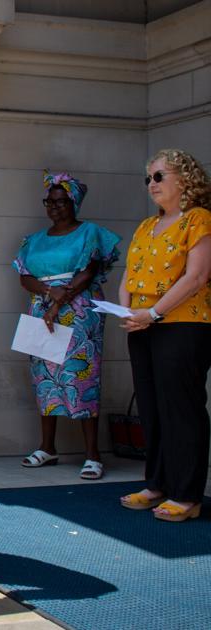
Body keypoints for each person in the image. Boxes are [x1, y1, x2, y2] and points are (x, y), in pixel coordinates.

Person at [118, 149, 211, 523]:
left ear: (185, 179)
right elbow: (129, 274)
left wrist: (154, 313)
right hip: (142, 325)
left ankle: (187, 495)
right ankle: (157, 483)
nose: (151, 184)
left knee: (181, 408)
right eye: (148, 178)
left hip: (183, 324)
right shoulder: (145, 225)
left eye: (159, 176)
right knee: (151, 406)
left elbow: (196, 276)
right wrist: (127, 311)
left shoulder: (198, 219)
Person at [13, 172, 121, 480]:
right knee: (44, 378)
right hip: (41, 309)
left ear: (75, 203)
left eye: (61, 202)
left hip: (79, 310)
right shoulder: (34, 240)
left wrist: (58, 302)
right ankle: (47, 447)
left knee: (82, 377)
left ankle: (92, 455)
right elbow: (24, 277)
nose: (55, 207)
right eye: (50, 201)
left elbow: (87, 273)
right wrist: (49, 293)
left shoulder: (90, 233)